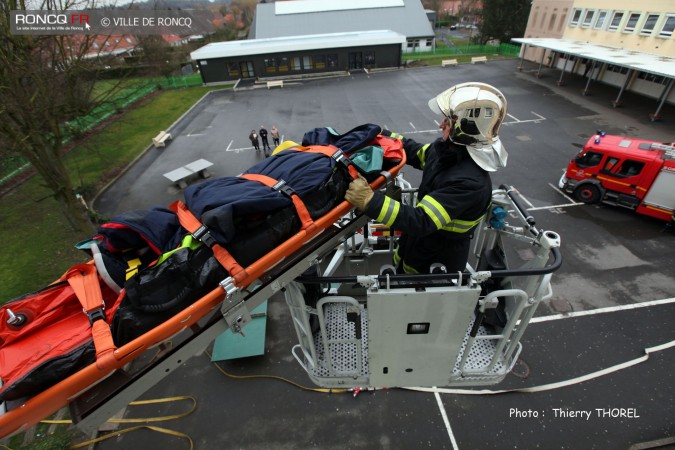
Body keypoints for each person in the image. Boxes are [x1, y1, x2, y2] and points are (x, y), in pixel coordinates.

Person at [345, 82, 508, 274]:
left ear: (464, 128)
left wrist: (369, 200)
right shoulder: (448, 151)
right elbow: (417, 153)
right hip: (418, 245)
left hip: (436, 263)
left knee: (417, 297)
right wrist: (384, 137)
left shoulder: (469, 184)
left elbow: (421, 221)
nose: (440, 125)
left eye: (447, 122)